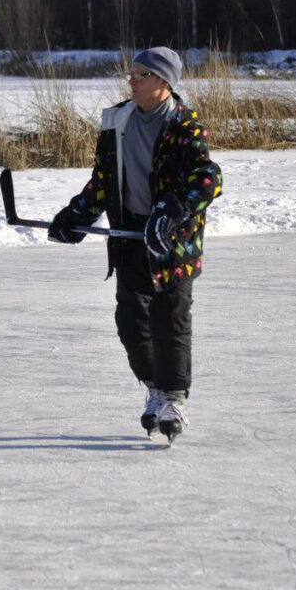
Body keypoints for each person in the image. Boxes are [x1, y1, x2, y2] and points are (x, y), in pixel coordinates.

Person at [47, 46, 222, 441]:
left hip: (170, 239)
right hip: (129, 234)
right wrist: (76, 215)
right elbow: (104, 181)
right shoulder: (118, 121)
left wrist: (173, 209)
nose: (132, 81)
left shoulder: (184, 126)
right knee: (130, 321)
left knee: (170, 319)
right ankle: (156, 389)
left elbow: (208, 179)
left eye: (141, 75)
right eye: (132, 74)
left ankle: (174, 398)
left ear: (163, 82)